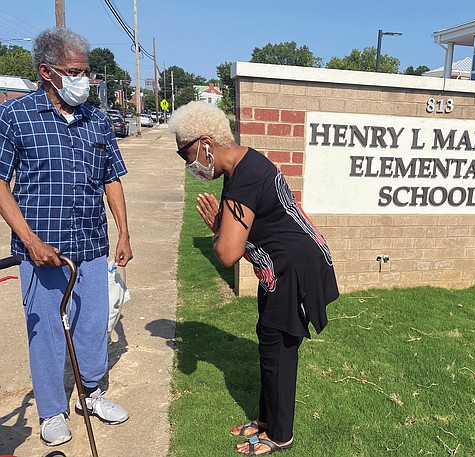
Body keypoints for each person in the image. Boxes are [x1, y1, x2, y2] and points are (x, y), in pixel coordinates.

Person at [169, 101, 339, 455]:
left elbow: (227, 253)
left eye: (185, 155)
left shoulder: (242, 180)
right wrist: (224, 227)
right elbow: (245, 232)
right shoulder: (244, 163)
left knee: (279, 350)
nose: (189, 165)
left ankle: (279, 435)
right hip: (280, 267)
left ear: (204, 143)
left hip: (294, 270)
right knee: (269, 340)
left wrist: (218, 229)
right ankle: (265, 419)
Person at [0, 28, 133, 447]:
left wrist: (124, 231)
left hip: (91, 246)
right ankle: (52, 410)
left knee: (92, 325)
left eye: (86, 72)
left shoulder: (95, 119)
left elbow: (111, 177)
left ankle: (91, 394)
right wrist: (29, 239)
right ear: (46, 71)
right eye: (74, 72)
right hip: (42, 251)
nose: (83, 80)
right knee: (47, 332)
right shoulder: (16, 117)